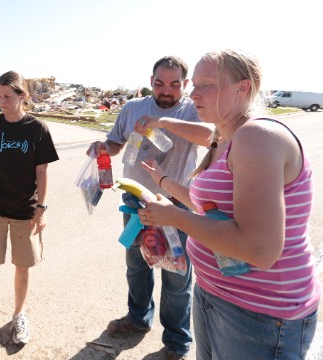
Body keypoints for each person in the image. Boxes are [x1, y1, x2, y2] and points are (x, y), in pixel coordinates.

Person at [138, 49, 321, 359]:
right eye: (194, 84)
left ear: (243, 87)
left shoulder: (257, 136)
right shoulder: (225, 136)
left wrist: (174, 218)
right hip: (214, 294)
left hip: (261, 313)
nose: (194, 93)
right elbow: (208, 206)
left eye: (206, 84)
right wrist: (163, 182)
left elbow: (259, 250)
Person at [87, 56, 212, 360]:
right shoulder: (133, 108)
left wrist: (161, 123)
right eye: (159, 83)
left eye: (173, 84)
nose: (165, 91)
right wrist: (104, 148)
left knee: (176, 275)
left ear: (184, 84)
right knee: (137, 265)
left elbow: (212, 137)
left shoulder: (193, 109)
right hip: (134, 200)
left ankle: (177, 343)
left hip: (177, 204)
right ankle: (137, 319)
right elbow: (115, 142)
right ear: (151, 81)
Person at [0, 70, 58, 345]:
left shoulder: (37, 129)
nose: (1, 101)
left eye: (7, 96)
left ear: (22, 97)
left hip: (24, 211)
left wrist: (41, 207)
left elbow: (41, 171)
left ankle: (19, 315)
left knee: (22, 266)